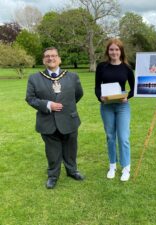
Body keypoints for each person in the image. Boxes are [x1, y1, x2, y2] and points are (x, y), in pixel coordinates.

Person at [26, 47, 84, 189]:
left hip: (69, 119)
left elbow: (78, 94)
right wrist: (48, 105)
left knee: (71, 149)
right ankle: (53, 176)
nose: (50, 58)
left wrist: (67, 107)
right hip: (47, 121)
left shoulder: (72, 76)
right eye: (47, 56)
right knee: (52, 151)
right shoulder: (34, 78)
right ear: (43, 60)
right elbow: (30, 98)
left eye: (53, 56)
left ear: (59, 59)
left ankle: (72, 171)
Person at [95, 39, 135, 181]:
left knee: (123, 137)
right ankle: (112, 165)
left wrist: (127, 97)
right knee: (110, 137)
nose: (114, 52)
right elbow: (97, 87)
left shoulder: (127, 68)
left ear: (121, 51)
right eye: (111, 49)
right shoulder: (101, 67)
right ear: (108, 51)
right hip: (106, 106)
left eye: (117, 49)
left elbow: (134, 88)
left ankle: (126, 167)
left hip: (122, 106)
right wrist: (100, 98)